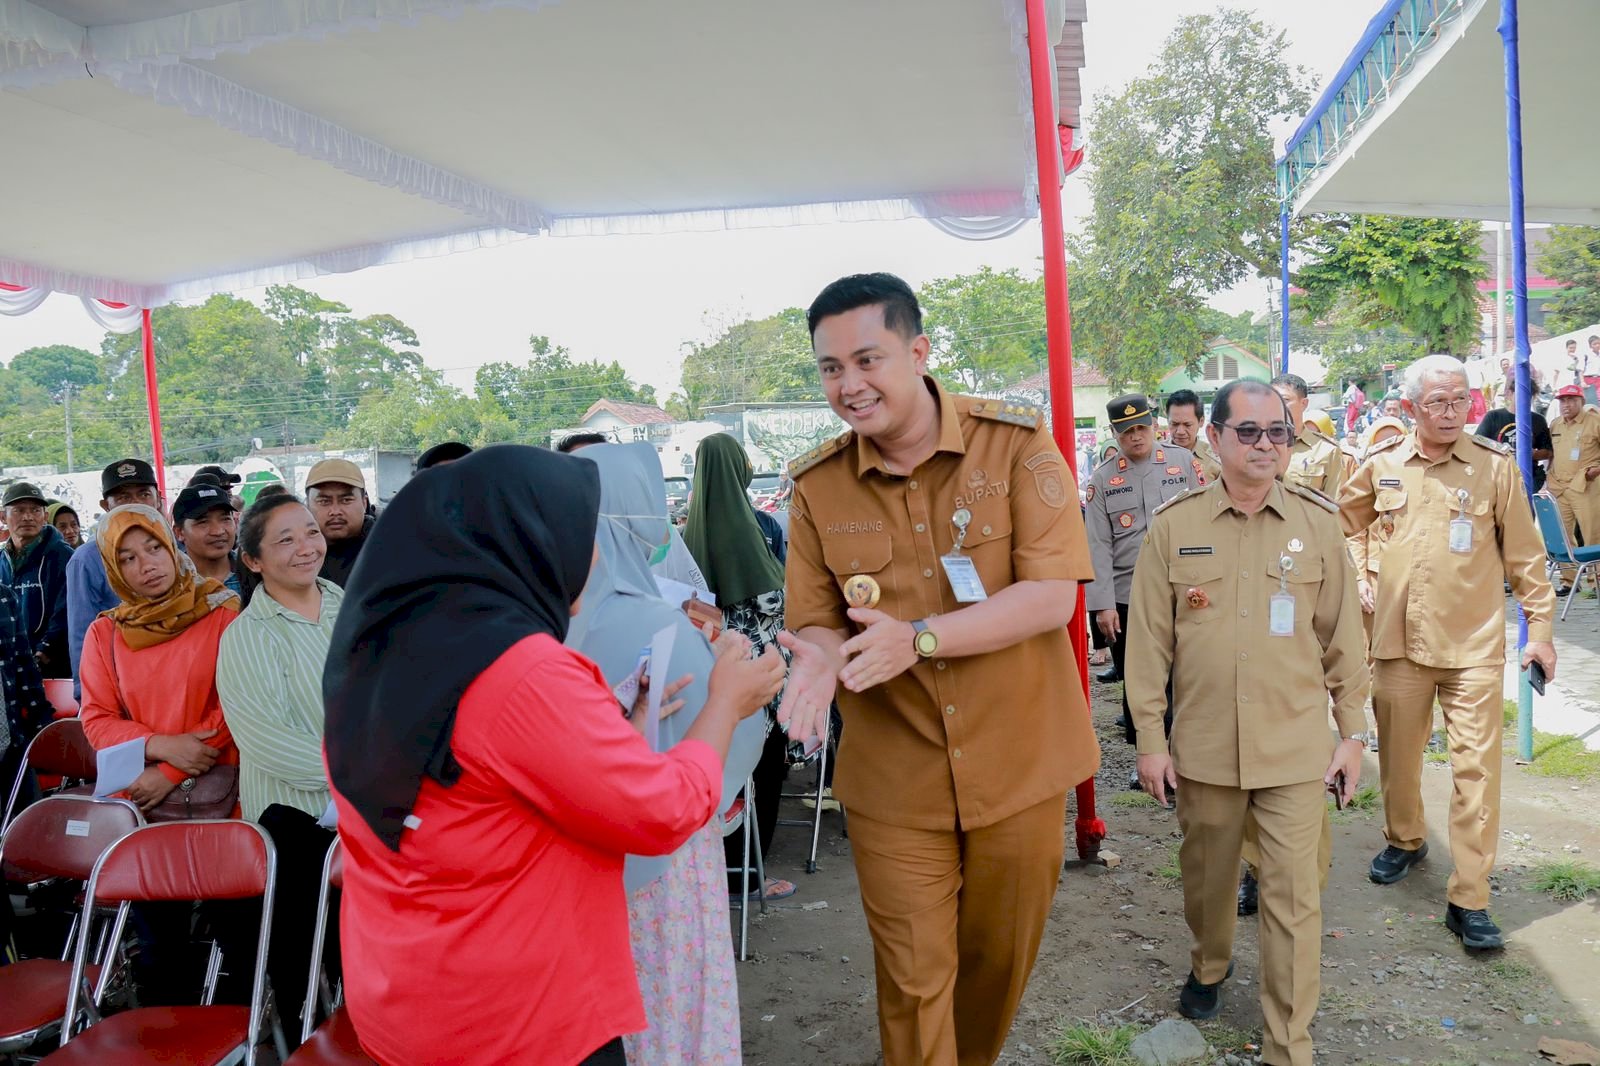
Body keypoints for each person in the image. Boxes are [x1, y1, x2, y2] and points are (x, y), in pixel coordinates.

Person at [323, 445, 782, 1066]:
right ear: (525, 543)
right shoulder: (520, 669)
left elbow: (480, 778)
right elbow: (661, 812)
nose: (593, 556)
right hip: (518, 1015)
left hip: (412, 989)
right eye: (579, 533)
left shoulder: (388, 648)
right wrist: (726, 704)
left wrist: (614, 729)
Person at [778, 273, 1099, 1066]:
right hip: (895, 777)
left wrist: (918, 638)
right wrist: (817, 666)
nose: (849, 386)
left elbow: (1052, 595)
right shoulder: (817, 485)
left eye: (867, 360)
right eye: (830, 368)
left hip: (1019, 763)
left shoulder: (1015, 444)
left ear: (918, 352)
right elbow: (816, 621)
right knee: (914, 984)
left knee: (996, 964)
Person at [1127, 378, 1369, 1066]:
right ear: (1215, 437)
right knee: (1207, 884)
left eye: (1278, 432)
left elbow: (1345, 641)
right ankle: (1209, 963)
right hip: (1205, 749)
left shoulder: (1317, 524)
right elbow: (1148, 648)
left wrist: (1353, 734)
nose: (1266, 444)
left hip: (1294, 748)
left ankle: (1288, 1045)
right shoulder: (1175, 527)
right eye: (1250, 431)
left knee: (1294, 900)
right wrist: (1150, 742)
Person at [1339, 354, 1556, 953]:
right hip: (1397, 643)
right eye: (1437, 401)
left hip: (1473, 646)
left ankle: (1470, 898)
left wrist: (1540, 631)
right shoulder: (1383, 464)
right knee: (1399, 762)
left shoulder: (1494, 468)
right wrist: (1353, 573)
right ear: (1411, 406)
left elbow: (1527, 557)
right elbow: (1339, 523)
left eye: (1460, 400)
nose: (1450, 411)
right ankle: (1405, 838)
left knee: (1477, 774)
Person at [566, 442, 766, 1066]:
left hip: (588, 858)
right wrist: (741, 685)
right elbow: (728, 736)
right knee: (676, 1001)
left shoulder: (552, 618)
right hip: (669, 850)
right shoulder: (661, 621)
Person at [77, 504, 245, 1001]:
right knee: (161, 951)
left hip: (221, 799)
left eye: (153, 548)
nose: (146, 565)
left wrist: (170, 770)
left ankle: (242, 1031)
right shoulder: (105, 633)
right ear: (113, 570)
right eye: (127, 558)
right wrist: (159, 744)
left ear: (173, 548)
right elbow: (96, 719)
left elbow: (235, 707)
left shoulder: (222, 613)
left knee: (238, 936)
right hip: (146, 806)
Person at [214, 492, 341, 1043]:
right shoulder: (248, 635)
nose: (306, 547)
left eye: (310, 531)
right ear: (254, 560)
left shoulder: (348, 605)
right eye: (285, 540)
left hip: (365, 814)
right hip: (298, 825)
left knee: (366, 962)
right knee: (306, 971)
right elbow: (267, 741)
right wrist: (364, 775)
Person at [683, 432, 797, 903]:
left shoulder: (685, 535)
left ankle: (717, 874)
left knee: (719, 772)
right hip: (759, 679)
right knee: (762, 771)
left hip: (708, 673)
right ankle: (750, 878)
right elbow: (775, 601)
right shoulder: (754, 528)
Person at [1085, 394, 1202, 754]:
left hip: (1183, 588)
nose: (1135, 436)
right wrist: (1103, 605)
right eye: (1126, 431)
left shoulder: (1183, 463)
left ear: (1153, 425)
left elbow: (1207, 525)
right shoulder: (1102, 479)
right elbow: (1097, 546)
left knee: (1190, 673)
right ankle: (1148, 756)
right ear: (1114, 433)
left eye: (1141, 428)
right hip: (1128, 594)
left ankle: (1188, 753)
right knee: (1139, 678)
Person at [66, 458, 163, 696]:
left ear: (158, 498)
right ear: (105, 505)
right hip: (121, 687)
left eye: (144, 494)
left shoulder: (175, 549)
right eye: (122, 498)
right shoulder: (87, 559)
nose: (135, 504)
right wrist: (87, 696)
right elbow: (82, 635)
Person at [3, 481, 75, 678]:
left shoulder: (63, 556)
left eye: (35, 510)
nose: (28, 517)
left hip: (53, 665)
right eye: (19, 510)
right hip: (10, 666)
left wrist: (46, 648)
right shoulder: (2, 561)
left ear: (45, 516)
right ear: (2, 516)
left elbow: (66, 609)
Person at [1546, 383, 1600, 592]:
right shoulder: (1556, 424)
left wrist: (1594, 471)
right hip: (1560, 487)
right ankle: (1568, 581)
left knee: (1593, 534)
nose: (1566, 405)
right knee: (1562, 536)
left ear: (1581, 401)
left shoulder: (1594, 421)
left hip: (1585, 485)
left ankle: (1595, 582)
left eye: (1571, 400)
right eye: (1562, 401)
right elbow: (1552, 454)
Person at [1474, 372, 1553, 493]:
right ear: (1510, 394)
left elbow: (1548, 451)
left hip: (1528, 476)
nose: (1524, 399)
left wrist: (1533, 454)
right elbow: (1477, 440)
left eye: (1528, 395)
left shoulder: (1538, 420)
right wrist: (1500, 449)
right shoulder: (1493, 416)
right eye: (1520, 394)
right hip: (1498, 475)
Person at [1271, 374, 1342, 498]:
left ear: (1304, 403)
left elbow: (1334, 504)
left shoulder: (1326, 451)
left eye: (1285, 400)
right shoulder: (1256, 445)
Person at [305, 459, 374, 587]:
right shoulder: (294, 554)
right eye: (324, 501)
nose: (335, 511)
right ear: (307, 505)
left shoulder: (389, 550)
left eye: (346, 500)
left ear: (364, 503)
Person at [172, 482, 245, 600]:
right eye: (203, 522)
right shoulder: (170, 584)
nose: (218, 531)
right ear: (179, 532)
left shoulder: (256, 572)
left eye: (225, 519)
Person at [1166, 389, 1219, 483]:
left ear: (1201, 421)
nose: (1180, 431)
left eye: (1187, 425)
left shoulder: (1215, 459)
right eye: (1174, 424)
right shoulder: (1153, 455)